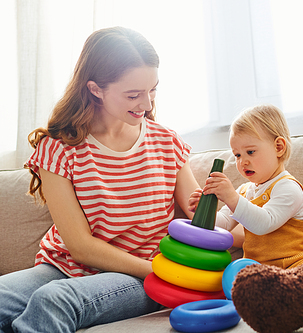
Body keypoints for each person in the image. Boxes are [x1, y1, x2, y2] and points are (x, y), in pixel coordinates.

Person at [0, 27, 200, 333]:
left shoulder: (165, 142)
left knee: (55, 301)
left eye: (153, 90)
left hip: (139, 273)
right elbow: (80, 247)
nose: (147, 104)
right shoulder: (58, 148)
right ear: (95, 89)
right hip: (67, 267)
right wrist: (160, 270)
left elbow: (203, 218)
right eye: (133, 94)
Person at [189, 105, 303, 269]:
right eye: (237, 155)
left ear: (278, 147)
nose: (242, 161)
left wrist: (231, 198)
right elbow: (224, 224)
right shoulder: (244, 191)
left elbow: (264, 223)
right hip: (260, 270)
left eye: (250, 152)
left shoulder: (288, 188)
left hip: (296, 264)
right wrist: (204, 210)